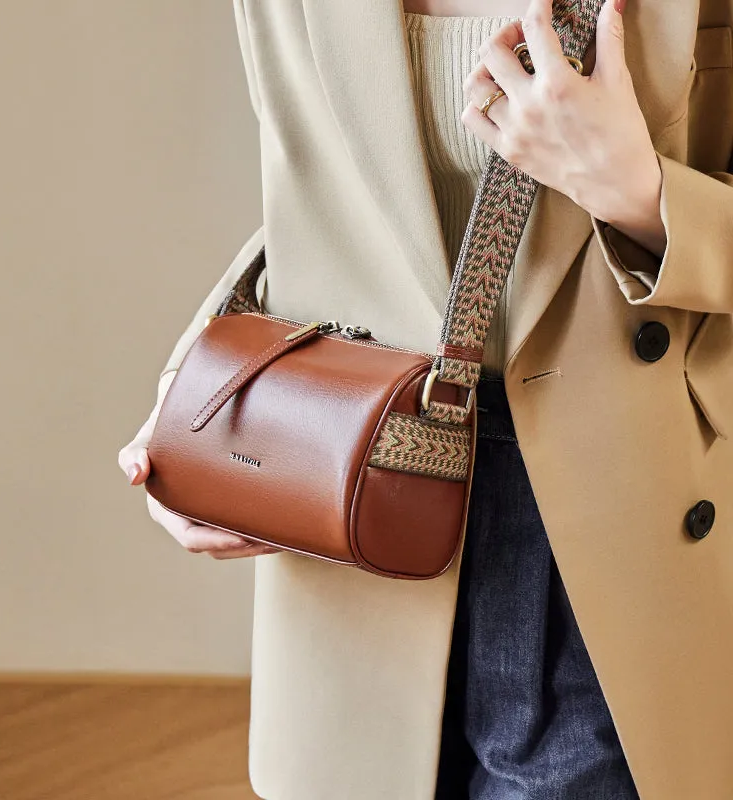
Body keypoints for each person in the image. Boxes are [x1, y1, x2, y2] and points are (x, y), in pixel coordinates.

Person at [119, 0, 733, 797]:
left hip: (624, 522)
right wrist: (196, 401)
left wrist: (642, 195)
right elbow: (317, 212)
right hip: (365, 488)